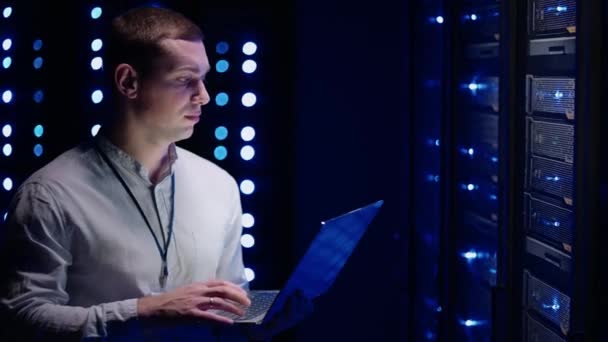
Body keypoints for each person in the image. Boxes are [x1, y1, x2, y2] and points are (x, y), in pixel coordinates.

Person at [0, 6, 308, 340]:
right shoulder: (49, 194)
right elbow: (22, 320)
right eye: (184, 80)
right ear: (128, 81)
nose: (203, 95)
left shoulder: (221, 185)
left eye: (203, 78)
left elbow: (226, 310)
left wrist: (260, 325)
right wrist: (144, 311)